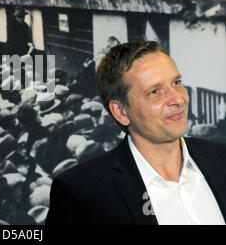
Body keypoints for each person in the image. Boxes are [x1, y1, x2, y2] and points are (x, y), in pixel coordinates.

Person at [47, 41, 226, 225]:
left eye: (176, 82)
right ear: (121, 112)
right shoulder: (82, 193)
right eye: (155, 91)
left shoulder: (220, 159)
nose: (178, 98)